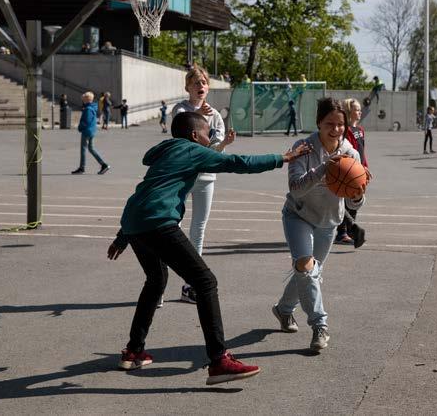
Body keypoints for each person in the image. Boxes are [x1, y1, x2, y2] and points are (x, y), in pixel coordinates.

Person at [107, 111, 310, 384]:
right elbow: (237, 163)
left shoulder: (165, 152)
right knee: (205, 282)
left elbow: (146, 191)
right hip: (157, 222)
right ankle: (219, 361)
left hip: (135, 223)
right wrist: (281, 158)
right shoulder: (191, 150)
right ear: (194, 135)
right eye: (208, 134)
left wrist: (123, 236)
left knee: (156, 279)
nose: (210, 139)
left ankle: (133, 351)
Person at [272, 98, 367, 352]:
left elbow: (354, 204)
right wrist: (325, 168)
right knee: (306, 265)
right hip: (298, 216)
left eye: (340, 125)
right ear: (318, 123)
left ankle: (283, 309)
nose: (335, 129)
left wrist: (358, 194)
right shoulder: (303, 147)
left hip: (329, 221)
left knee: (308, 274)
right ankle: (319, 326)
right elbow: (296, 188)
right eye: (329, 124)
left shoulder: (351, 153)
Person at [172, 67, 235, 304]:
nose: (200, 86)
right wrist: (200, 114)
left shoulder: (215, 116)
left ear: (208, 87)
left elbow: (214, 152)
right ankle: (159, 282)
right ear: (187, 87)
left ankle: (190, 285)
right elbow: (183, 137)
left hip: (206, 178)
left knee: (198, 230)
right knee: (171, 227)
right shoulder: (181, 109)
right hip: (183, 176)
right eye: (196, 82)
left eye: (204, 82)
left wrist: (224, 143)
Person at [335, 98, 369, 247]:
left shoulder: (360, 130)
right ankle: (342, 233)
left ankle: (349, 231)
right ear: (349, 111)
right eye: (356, 109)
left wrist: (365, 166)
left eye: (360, 109)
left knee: (355, 200)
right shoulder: (346, 130)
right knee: (344, 202)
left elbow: (362, 150)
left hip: (359, 169)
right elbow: (348, 151)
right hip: (349, 171)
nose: (359, 112)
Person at [71, 91, 110, 175]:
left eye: (83, 99)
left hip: (87, 131)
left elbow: (86, 121)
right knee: (91, 149)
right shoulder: (92, 107)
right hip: (91, 130)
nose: (82, 101)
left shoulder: (88, 109)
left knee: (83, 149)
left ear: (86, 100)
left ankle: (82, 167)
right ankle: (103, 164)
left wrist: (80, 127)